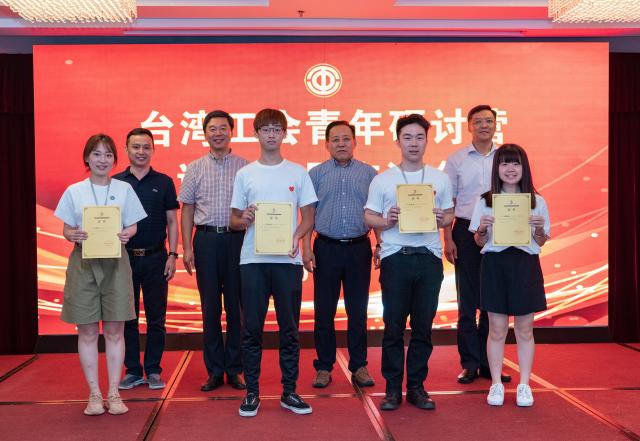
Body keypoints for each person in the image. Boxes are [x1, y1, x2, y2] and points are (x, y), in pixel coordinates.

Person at [230, 108, 317, 417]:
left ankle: (289, 391)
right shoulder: (245, 174)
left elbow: (309, 217)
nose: (271, 134)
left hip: (287, 262)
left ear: (284, 134)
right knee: (251, 329)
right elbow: (233, 220)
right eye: (265, 129)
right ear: (256, 133)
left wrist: (297, 237)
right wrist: (245, 217)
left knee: (289, 329)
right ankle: (252, 393)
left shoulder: (298, 173)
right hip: (252, 260)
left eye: (276, 129)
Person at [364, 114, 454, 411]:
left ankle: (416, 386)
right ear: (398, 141)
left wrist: (443, 219)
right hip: (396, 259)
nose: (413, 143)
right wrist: (387, 220)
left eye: (419, 137)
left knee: (423, 327)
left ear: (427, 141)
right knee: (393, 326)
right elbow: (368, 217)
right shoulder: (383, 179)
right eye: (407, 137)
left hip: (429, 259)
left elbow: (450, 215)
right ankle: (392, 389)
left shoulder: (440, 178)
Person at [54, 134, 146, 415]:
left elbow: (133, 225)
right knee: (88, 331)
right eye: (96, 154)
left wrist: (128, 233)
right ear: (87, 158)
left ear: (115, 159)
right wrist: (72, 234)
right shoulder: (74, 191)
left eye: (108, 155)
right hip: (84, 264)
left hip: (116, 263)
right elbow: (66, 229)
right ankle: (94, 394)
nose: (102, 160)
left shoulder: (124, 189)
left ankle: (114, 393)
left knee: (116, 331)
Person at [469, 143, 549, 407]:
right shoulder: (485, 201)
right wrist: (482, 229)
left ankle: (524, 385)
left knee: (525, 329)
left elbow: (541, 241)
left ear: (524, 168)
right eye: (505, 163)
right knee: (497, 328)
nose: (511, 169)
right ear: (497, 168)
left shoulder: (537, 201)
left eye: (516, 163)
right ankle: (495, 384)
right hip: (495, 264)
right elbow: (479, 242)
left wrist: (539, 230)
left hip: (525, 265)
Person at [302, 121, 377, 389]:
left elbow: (377, 211)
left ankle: (359, 365)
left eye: (346, 139)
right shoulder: (316, 174)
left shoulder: (369, 173)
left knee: (358, 310)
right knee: (324, 311)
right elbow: (307, 215)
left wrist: (380, 245)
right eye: (335, 140)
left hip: (359, 248)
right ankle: (324, 366)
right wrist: (306, 248)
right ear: (327, 144)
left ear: (355, 142)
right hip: (326, 248)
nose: (341, 144)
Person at [178, 110, 248, 392]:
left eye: (222, 128)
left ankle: (235, 369)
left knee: (237, 308)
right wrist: (186, 247)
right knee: (210, 308)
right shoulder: (195, 168)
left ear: (232, 131)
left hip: (237, 241)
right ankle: (215, 371)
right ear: (205, 133)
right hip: (205, 240)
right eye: (212, 129)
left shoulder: (245, 168)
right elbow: (187, 209)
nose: (218, 133)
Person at [443, 105, 511, 385]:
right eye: (478, 121)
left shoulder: (506, 157)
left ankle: (489, 362)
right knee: (468, 300)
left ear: (495, 125)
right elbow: (447, 202)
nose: (484, 125)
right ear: (469, 126)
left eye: (489, 121)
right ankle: (470, 363)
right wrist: (448, 238)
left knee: (494, 301)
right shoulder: (457, 159)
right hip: (464, 231)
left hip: (501, 231)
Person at [114, 128, 179, 391]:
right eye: (136, 147)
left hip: (156, 258)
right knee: (127, 317)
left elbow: (172, 221)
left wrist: (173, 255)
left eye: (146, 147)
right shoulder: (116, 183)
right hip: (124, 259)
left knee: (156, 319)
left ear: (153, 149)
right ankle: (132, 370)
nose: (141, 152)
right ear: (127, 150)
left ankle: (152, 369)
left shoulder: (164, 182)